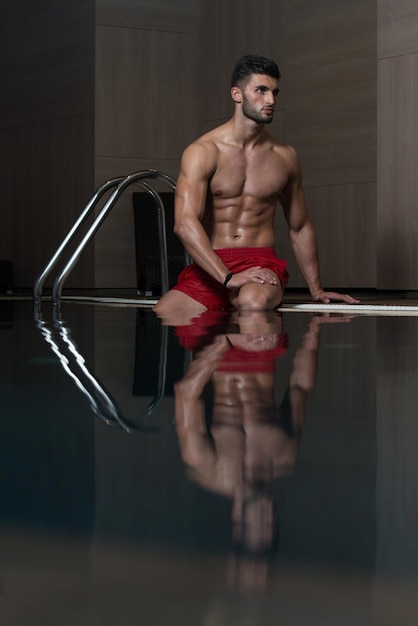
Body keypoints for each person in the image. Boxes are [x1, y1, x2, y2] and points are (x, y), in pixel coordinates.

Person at [153, 54, 359, 323]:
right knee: (165, 313)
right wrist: (227, 277)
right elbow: (184, 223)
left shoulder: (285, 156)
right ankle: (219, 355)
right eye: (261, 90)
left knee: (253, 303)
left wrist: (316, 289)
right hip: (212, 265)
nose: (271, 100)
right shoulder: (203, 151)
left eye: (274, 92)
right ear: (237, 94)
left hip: (259, 264)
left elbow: (299, 226)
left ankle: (237, 348)